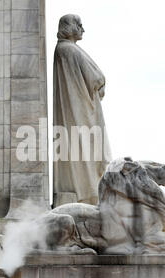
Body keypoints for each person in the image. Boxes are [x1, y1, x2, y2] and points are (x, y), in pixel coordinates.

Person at [53, 14, 112, 207]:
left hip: (82, 107)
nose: (83, 29)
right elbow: (95, 78)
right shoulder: (68, 49)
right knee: (88, 150)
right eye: (79, 25)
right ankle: (89, 193)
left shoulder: (65, 50)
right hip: (83, 111)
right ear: (70, 27)